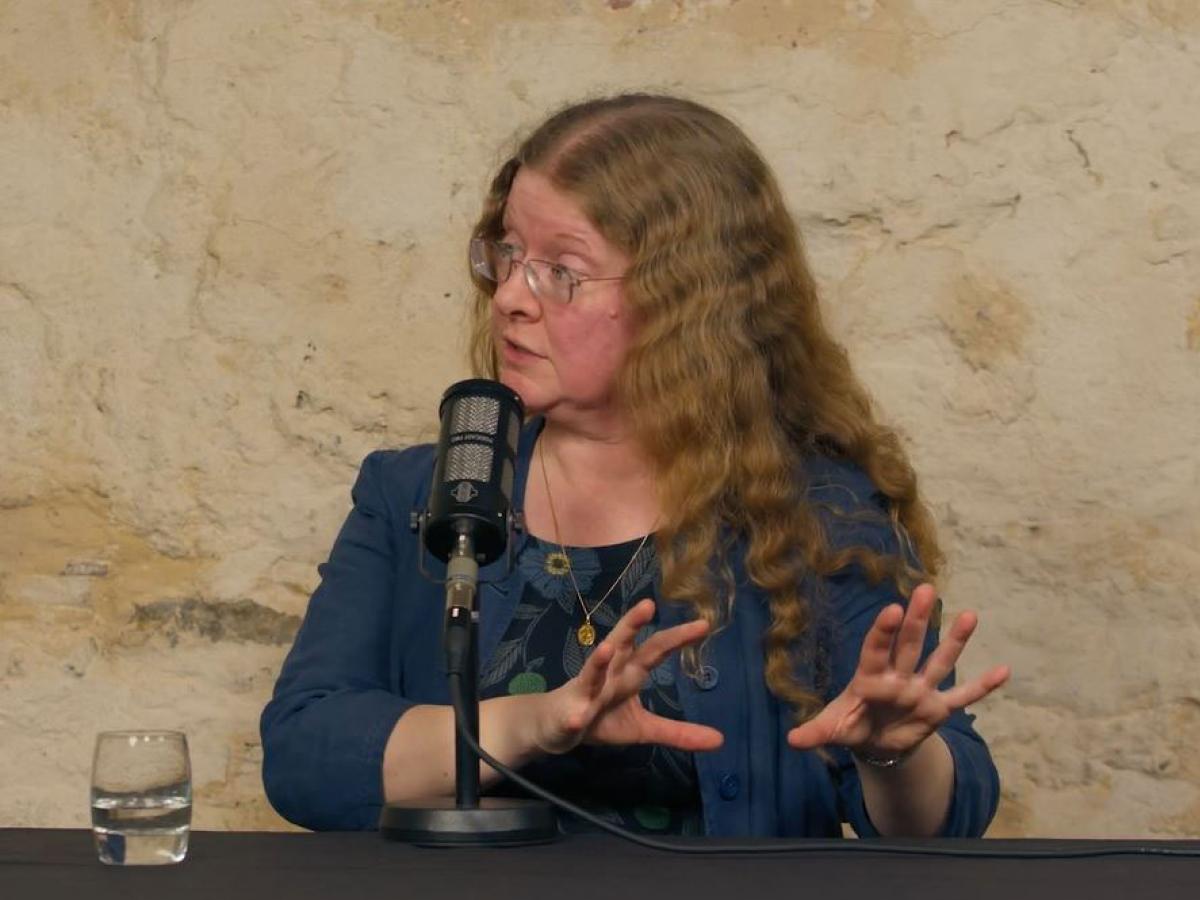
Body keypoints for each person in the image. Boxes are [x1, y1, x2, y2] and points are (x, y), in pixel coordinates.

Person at [260, 93, 1010, 838]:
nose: (511, 297)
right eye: (509, 253)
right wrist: (537, 722)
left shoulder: (818, 512)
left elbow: (947, 822)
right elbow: (305, 758)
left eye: (563, 271)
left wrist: (893, 758)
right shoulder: (416, 497)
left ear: (685, 304)